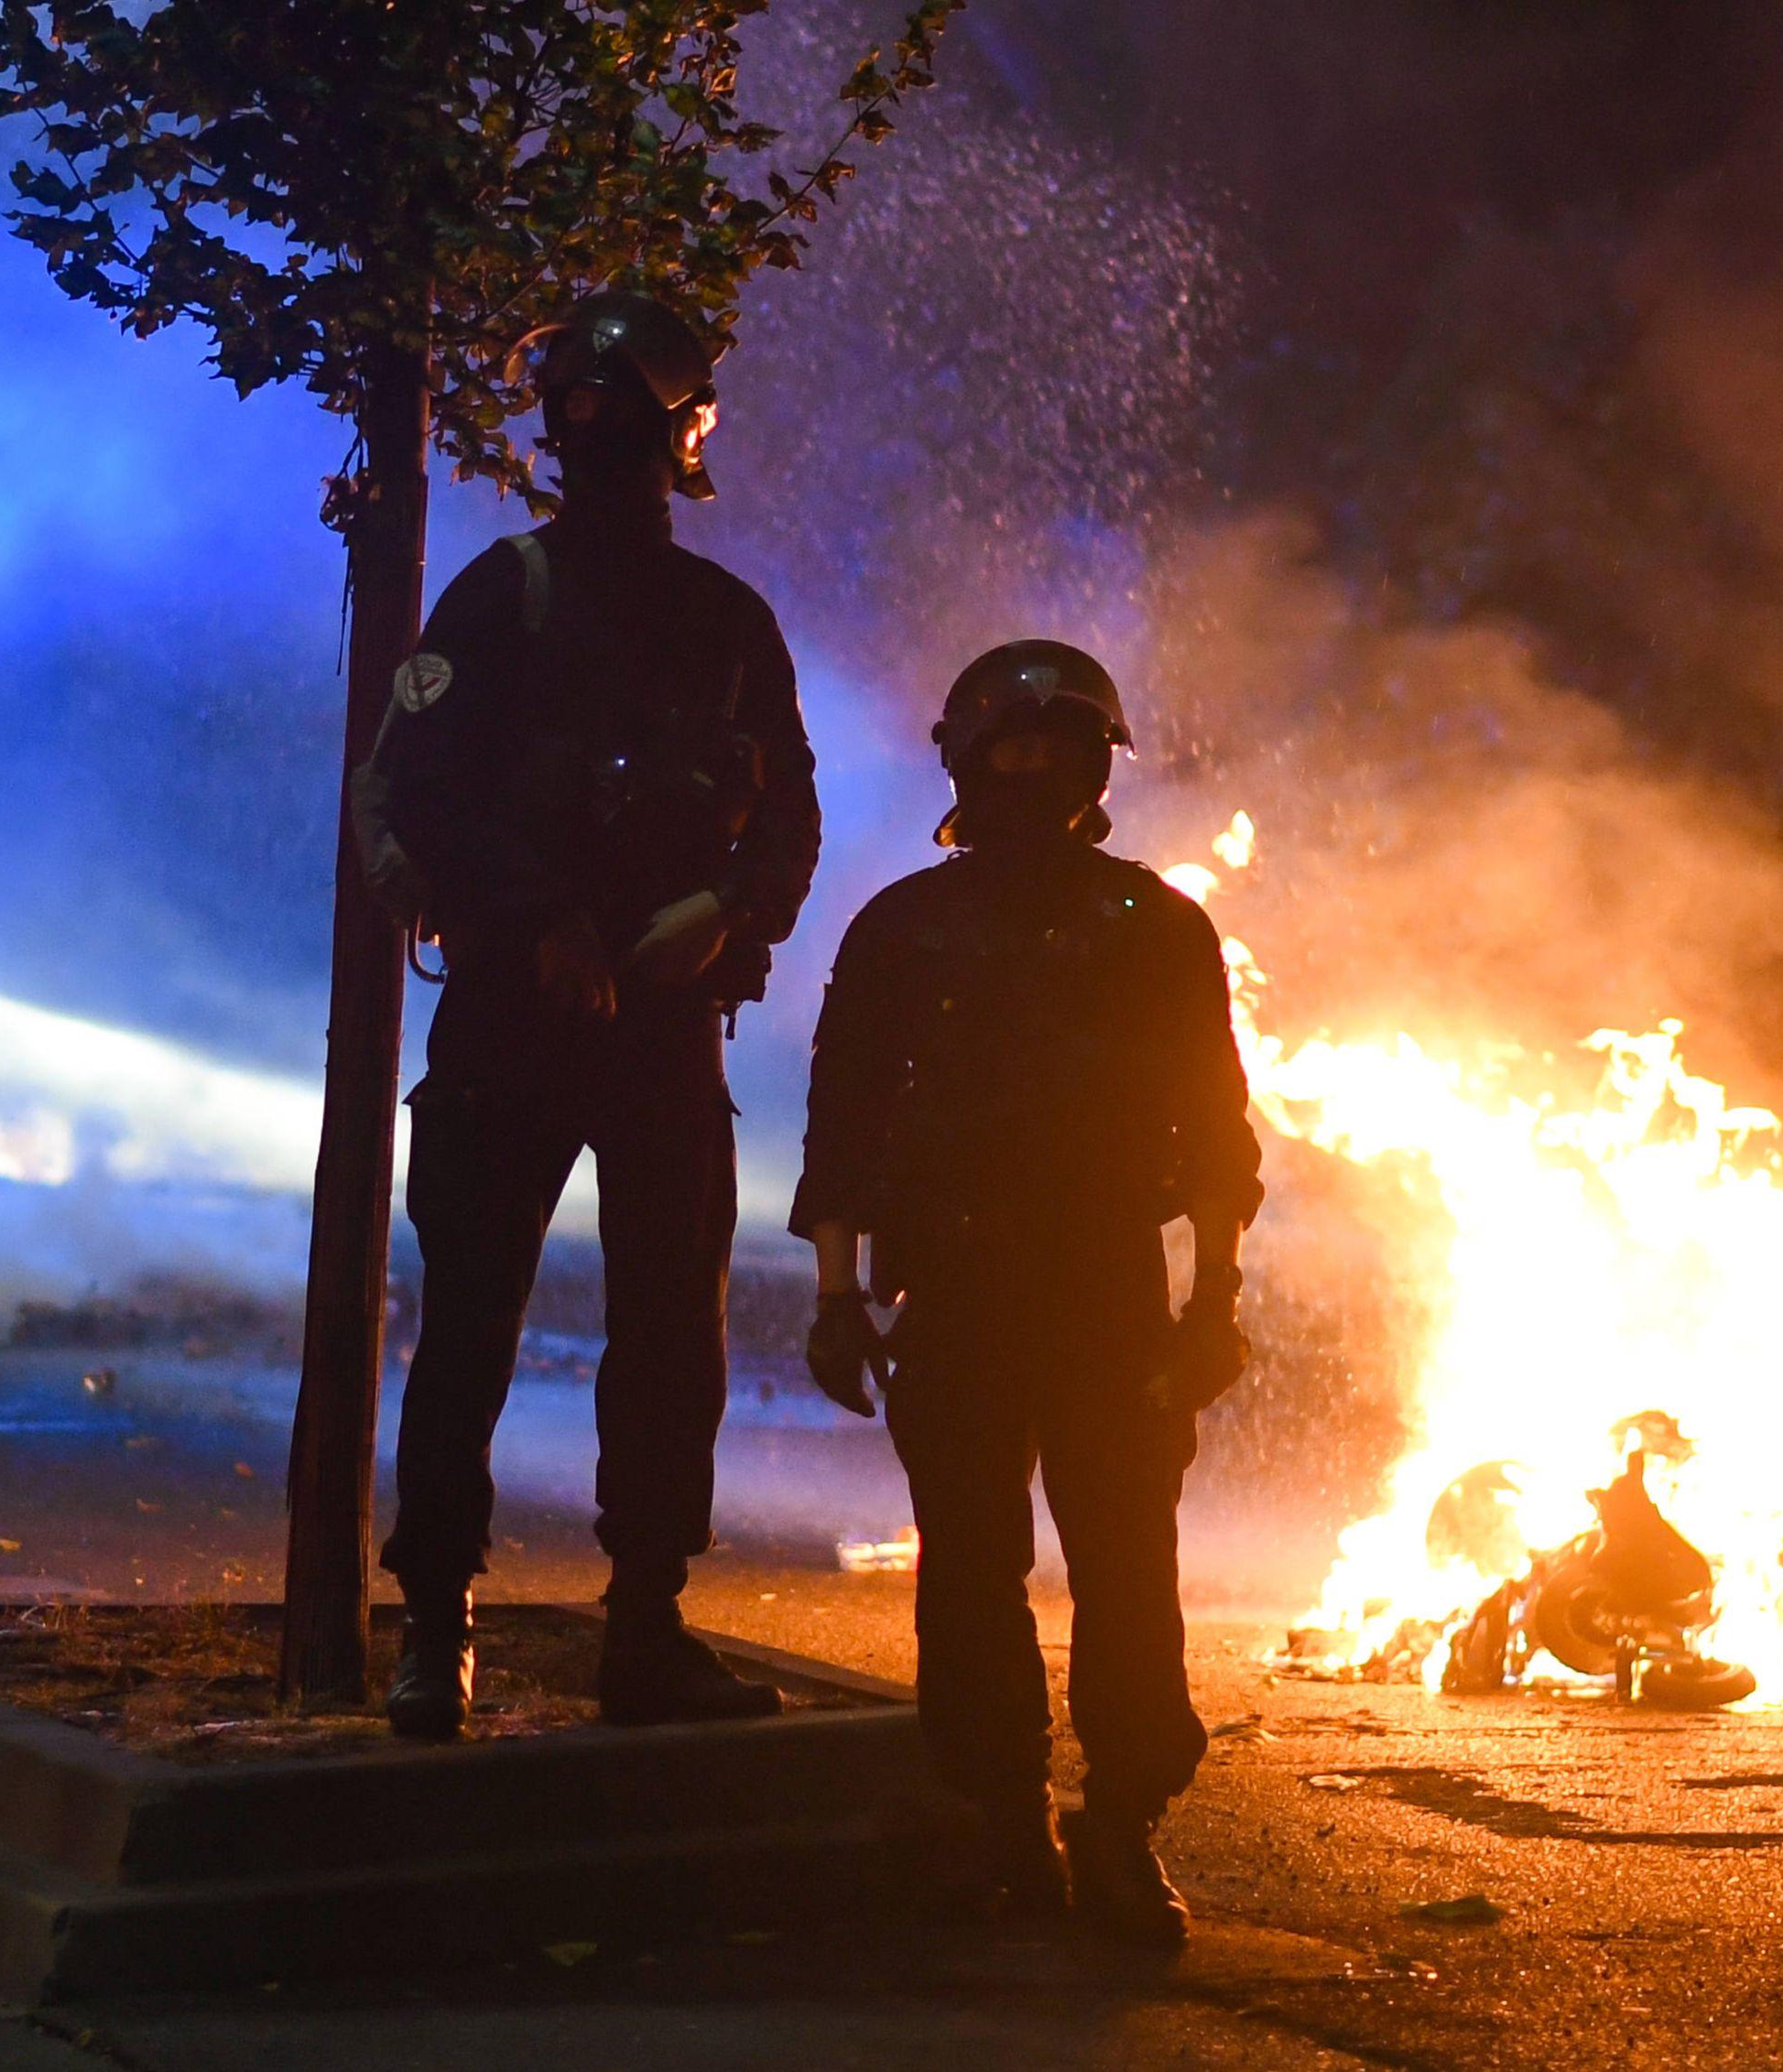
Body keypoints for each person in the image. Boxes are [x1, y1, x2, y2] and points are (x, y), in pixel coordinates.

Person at [360, 290, 821, 1738]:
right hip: (528, 1012)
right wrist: (548, 923)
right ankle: (482, 1627)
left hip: (642, 1022)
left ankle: (567, 1630)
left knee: (641, 1334)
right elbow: (427, 788)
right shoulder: (523, 595)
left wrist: (724, 917)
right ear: (686, 429)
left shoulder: (707, 619)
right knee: (521, 1331)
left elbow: (785, 823)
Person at [790, 641, 1263, 1947]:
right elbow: (844, 1125)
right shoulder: (903, 928)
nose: (1032, 771)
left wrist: (1213, 1297)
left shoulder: (1159, 925)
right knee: (972, 1573)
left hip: (1108, 1292)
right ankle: (1006, 1821)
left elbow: (1214, 1132)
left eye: (1058, 748)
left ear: (1097, 766)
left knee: (1127, 1567)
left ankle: (1119, 1827)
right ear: (963, 759)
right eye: (1009, 748)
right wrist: (840, 1291)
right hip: (954, 1290)